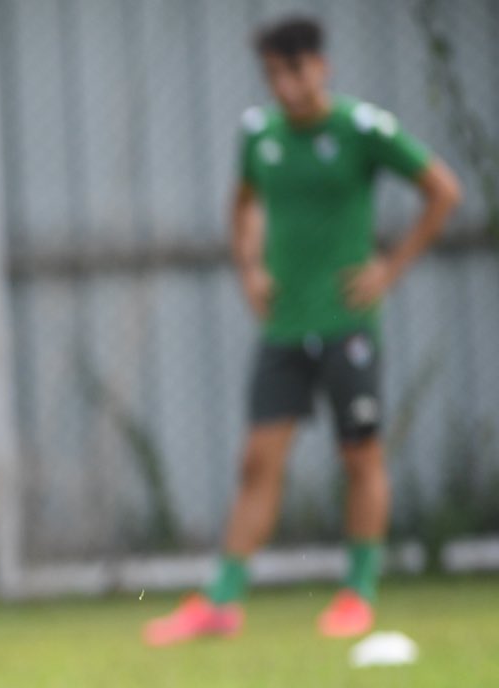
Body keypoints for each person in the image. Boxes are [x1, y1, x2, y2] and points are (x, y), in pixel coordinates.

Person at [144, 14, 459, 646]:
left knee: (359, 454)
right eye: (272, 75)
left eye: (294, 70)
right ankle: (223, 601)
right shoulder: (259, 137)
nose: (284, 85)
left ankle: (358, 593)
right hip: (285, 328)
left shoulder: (360, 129)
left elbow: (442, 191)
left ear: (321, 66)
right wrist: (250, 269)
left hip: (348, 324)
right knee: (257, 462)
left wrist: (388, 271)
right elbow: (241, 208)